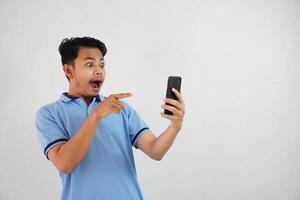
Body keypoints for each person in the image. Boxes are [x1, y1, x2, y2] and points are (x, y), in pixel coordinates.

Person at [35, 36, 185, 200]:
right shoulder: (49, 114)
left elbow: (155, 151)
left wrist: (174, 127)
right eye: (90, 64)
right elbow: (65, 163)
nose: (99, 70)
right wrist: (96, 115)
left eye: (102, 64)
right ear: (69, 71)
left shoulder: (121, 109)